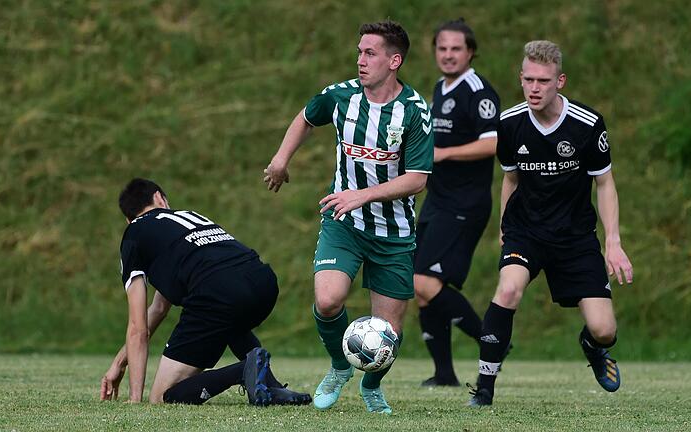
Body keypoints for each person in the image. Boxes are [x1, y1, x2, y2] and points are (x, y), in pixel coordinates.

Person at [263, 21, 433, 414]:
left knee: (388, 332)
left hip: (394, 232)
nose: (360, 60)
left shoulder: (414, 111)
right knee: (328, 300)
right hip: (344, 223)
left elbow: (418, 179)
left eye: (370, 53)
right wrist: (280, 160)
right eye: (359, 51)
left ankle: (372, 386)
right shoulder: (341, 96)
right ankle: (339, 367)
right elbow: (306, 116)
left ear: (394, 61)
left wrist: (364, 195)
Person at [469, 41, 633, 406]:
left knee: (605, 330)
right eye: (528, 79)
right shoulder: (509, 124)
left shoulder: (587, 124)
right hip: (525, 231)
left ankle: (592, 347)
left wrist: (613, 243)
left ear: (560, 81)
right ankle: (484, 388)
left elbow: (604, 183)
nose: (534, 88)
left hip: (575, 236)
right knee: (508, 289)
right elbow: (510, 180)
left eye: (542, 80)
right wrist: (503, 228)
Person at [100, 178, 311, 406]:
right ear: (160, 198)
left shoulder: (134, 233)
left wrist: (134, 399)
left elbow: (137, 327)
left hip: (217, 292)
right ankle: (272, 387)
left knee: (162, 397)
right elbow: (159, 308)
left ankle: (242, 371)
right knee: (229, 320)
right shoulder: (187, 218)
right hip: (262, 281)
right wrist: (119, 363)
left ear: (129, 219)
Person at [414, 19, 502, 388]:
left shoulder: (478, 91)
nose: (448, 55)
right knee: (420, 288)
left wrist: (445, 153)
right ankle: (444, 374)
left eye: (456, 49)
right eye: (442, 48)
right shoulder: (440, 86)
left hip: (465, 203)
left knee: (421, 280)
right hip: (438, 200)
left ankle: (492, 339)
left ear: (470, 52)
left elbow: (494, 142)